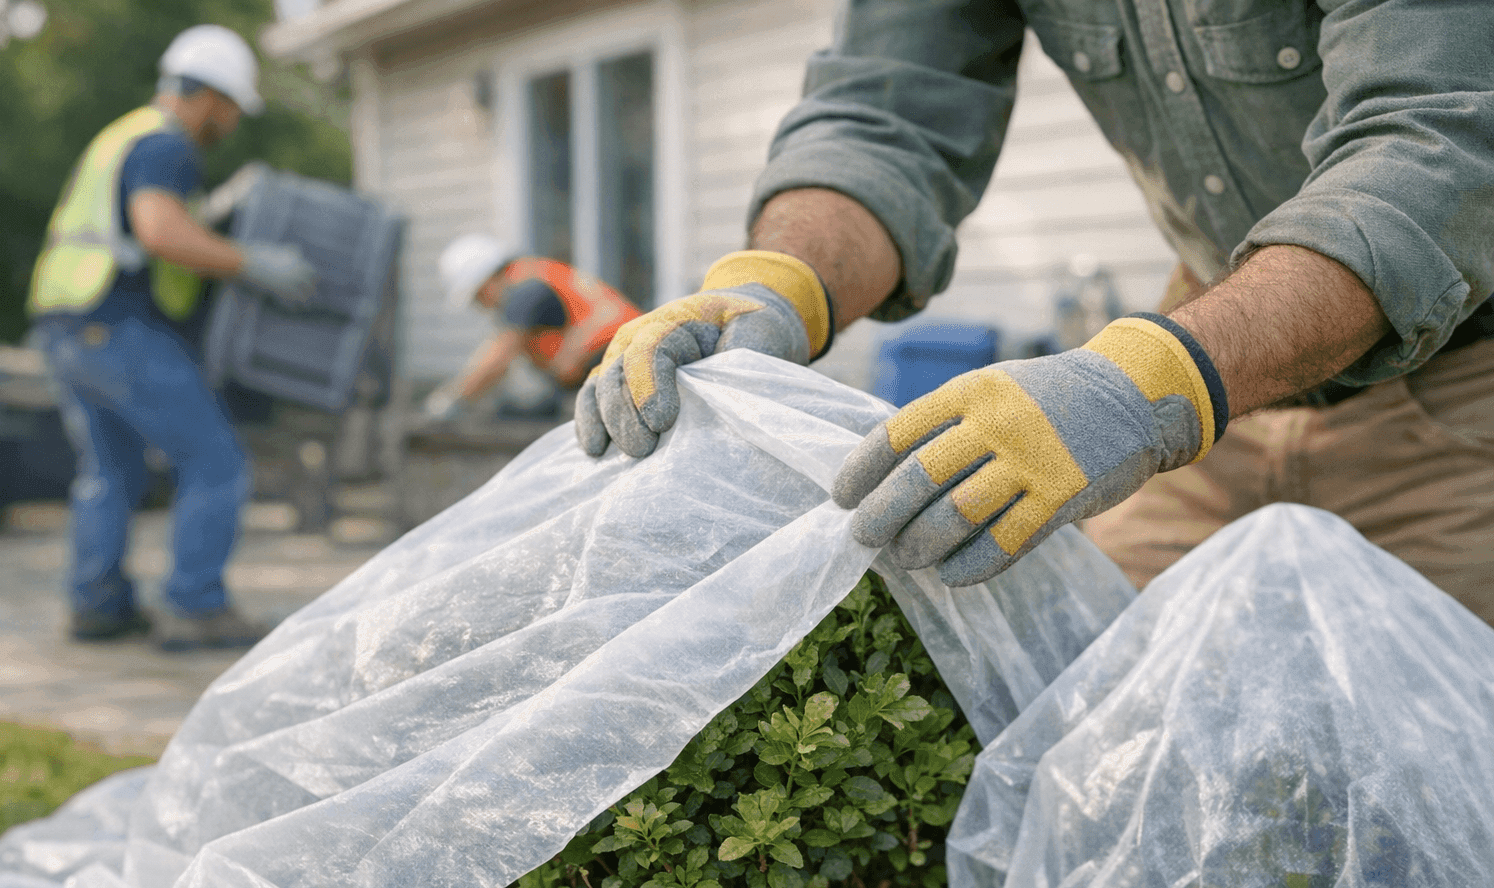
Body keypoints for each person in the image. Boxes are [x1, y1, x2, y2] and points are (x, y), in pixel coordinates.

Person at [574, 0, 1494, 625]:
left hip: (1462, 372)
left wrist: (1153, 385)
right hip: (1217, 381)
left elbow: (1438, 141)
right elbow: (882, 119)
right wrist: (778, 281)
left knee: (1447, 785)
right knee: (1100, 715)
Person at [28, 25, 318, 648]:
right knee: (214, 460)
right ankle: (195, 606)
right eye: (232, 106)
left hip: (67, 323)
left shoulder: (124, 135)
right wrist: (251, 261)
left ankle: (96, 604)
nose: (232, 121)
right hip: (118, 324)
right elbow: (158, 231)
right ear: (208, 96)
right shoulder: (168, 144)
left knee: (110, 471)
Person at [423, 234, 643, 419]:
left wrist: (453, 398)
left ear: (487, 281)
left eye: (478, 297)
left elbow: (499, 357)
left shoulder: (524, 290)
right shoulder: (533, 275)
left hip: (625, 366)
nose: (482, 306)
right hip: (617, 367)